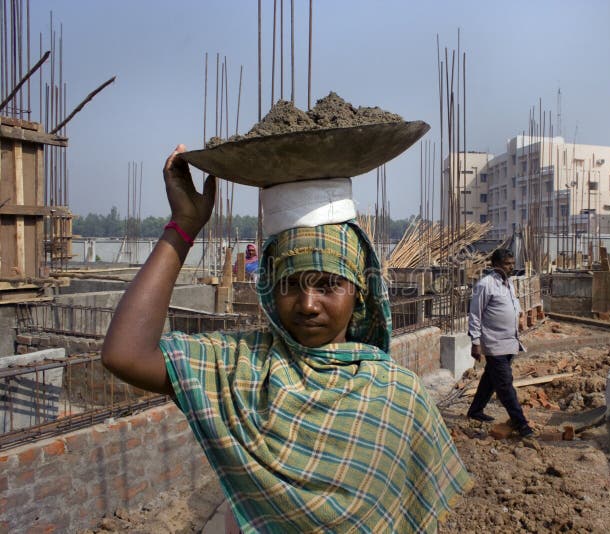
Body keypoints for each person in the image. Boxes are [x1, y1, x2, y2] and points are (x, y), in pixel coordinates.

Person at [102, 145, 473, 533]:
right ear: (268, 289)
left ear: (360, 291)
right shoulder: (240, 366)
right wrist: (183, 226)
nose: (308, 304)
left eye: (329, 285)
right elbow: (125, 354)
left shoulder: (398, 396)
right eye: (290, 284)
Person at [466, 248, 534, 437]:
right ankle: (521, 424)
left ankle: (475, 410)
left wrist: (519, 317)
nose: (511, 267)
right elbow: (475, 315)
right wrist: (475, 342)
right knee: (504, 384)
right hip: (494, 342)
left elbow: (515, 303)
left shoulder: (509, 284)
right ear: (495, 265)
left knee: (490, 378)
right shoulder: (485, 285)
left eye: (512, 264)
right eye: (507, 264)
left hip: (510, 341)